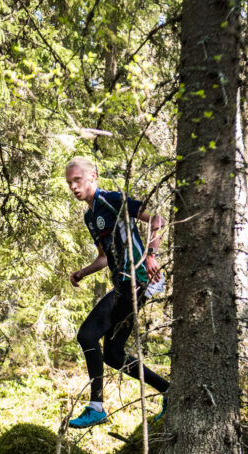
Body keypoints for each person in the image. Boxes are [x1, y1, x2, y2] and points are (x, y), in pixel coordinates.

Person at [64, 156, 169, 428]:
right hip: (123, 281)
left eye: (77, 180)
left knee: (87, 335)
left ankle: (96, 408)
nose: (73, 186)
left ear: (92, 177)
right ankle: (170, 391)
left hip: (136, 279)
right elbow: (103, 257)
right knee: (113, 354)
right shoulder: (90, 216)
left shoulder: (111, 199)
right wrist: (83, 272)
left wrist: (151, 254)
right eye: (69, 182)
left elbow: (157, 220)